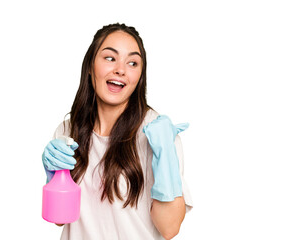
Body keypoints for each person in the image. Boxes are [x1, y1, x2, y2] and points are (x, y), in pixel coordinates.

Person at [42, 23, 193, 240]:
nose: (121, 70)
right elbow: (60, 218)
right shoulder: (67, 132)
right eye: (110, 58)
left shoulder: (157, 134)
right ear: (90, 65)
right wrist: (54, 178)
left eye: (132, 63)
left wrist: (166, 157)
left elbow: (169, 229)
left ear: (139, 77)